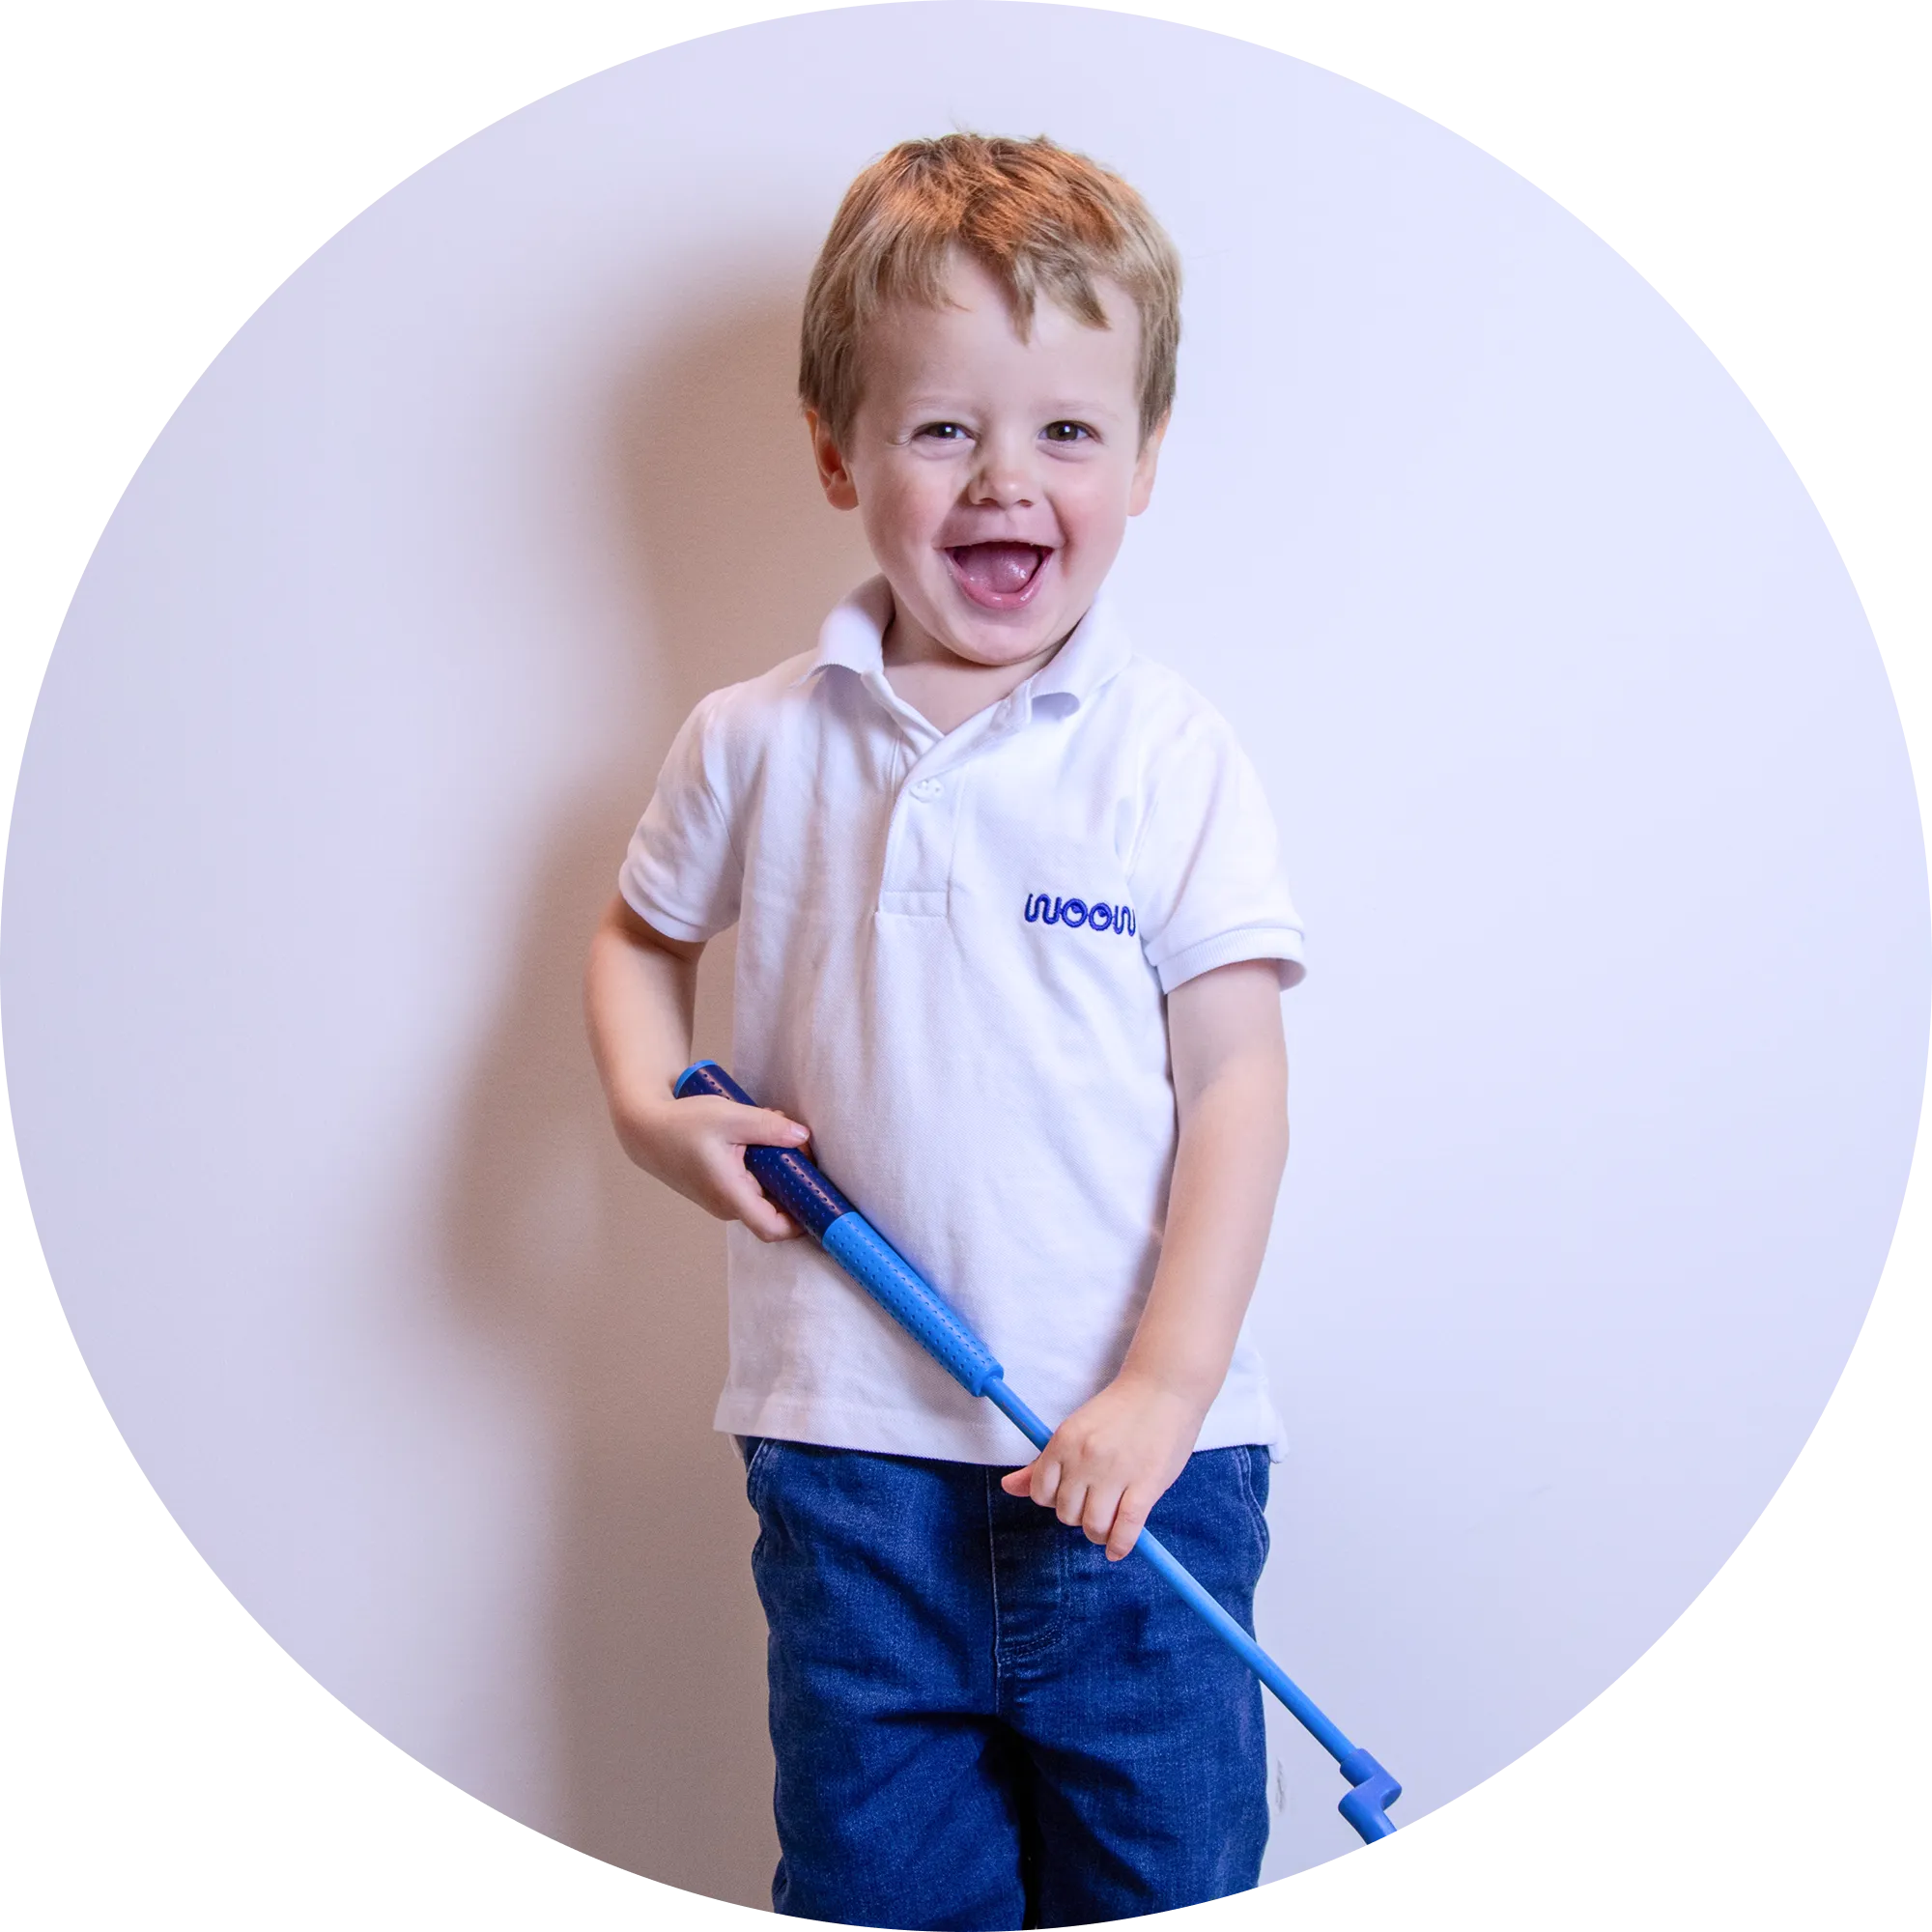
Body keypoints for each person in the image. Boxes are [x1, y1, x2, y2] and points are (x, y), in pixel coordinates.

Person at [583, 133, 1304, 1930]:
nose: (1007, 479)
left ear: (1143, 460)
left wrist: (1160, 1390)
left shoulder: (1169, 754)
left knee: (1164, 1878)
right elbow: (633, 935)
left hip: (1140, 1478)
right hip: (851, 1465)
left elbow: (1236, 1093)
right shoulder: (754, 739)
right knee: (875, 1889)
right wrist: (645, 1113)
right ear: (840, 451)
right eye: (942, 429)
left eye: (1067, 430)